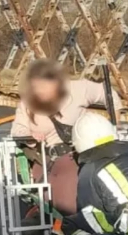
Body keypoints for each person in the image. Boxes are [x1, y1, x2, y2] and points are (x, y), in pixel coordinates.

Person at [11, 59, 122, 215]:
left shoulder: (78, 88)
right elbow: (17, 130)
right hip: (46, 158)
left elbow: (110, 96)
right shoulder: (28, 101)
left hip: (80, 153)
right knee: (61, 198)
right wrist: (30, 136)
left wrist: (113, 128)